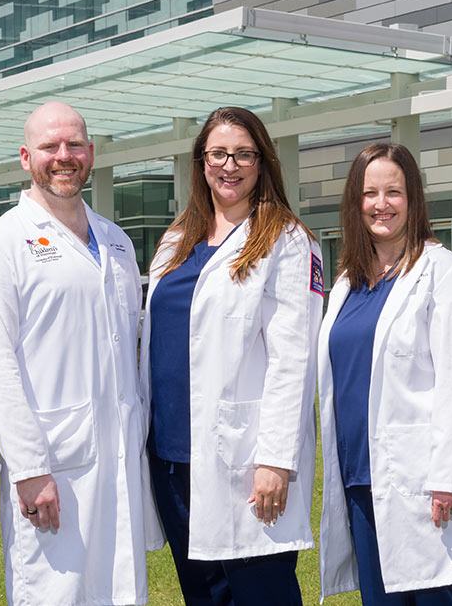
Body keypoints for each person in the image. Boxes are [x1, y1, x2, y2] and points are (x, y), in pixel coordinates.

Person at [0, 101, 157, 605]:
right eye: (50, 146)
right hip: (52, 469)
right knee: (57, 594)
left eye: (74, 144)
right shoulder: (1, 244)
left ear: (91, 153)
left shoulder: (117, 244)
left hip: (118, 462)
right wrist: (28, 469)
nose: (64, 155)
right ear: (26, 157)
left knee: (121, 593)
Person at [140, 107, 323, 605]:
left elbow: (294, 359)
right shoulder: (176, 242)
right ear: (201, 162)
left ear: (262, 162)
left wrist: (276, 461)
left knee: (260, 594)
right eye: (218, 153)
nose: (230, 165)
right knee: (203, 595)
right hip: (173, 458)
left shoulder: (288, 241)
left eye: (244, 154)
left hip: (245, 461)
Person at [316, 142, 452, 606]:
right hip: (360, 480)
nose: (381, 204)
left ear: (413, 199)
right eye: (370, 193)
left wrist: (448, 475)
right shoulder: (347, 282)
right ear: (355, 202)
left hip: (422, 483)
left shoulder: (447, 274)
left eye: (394, 191)